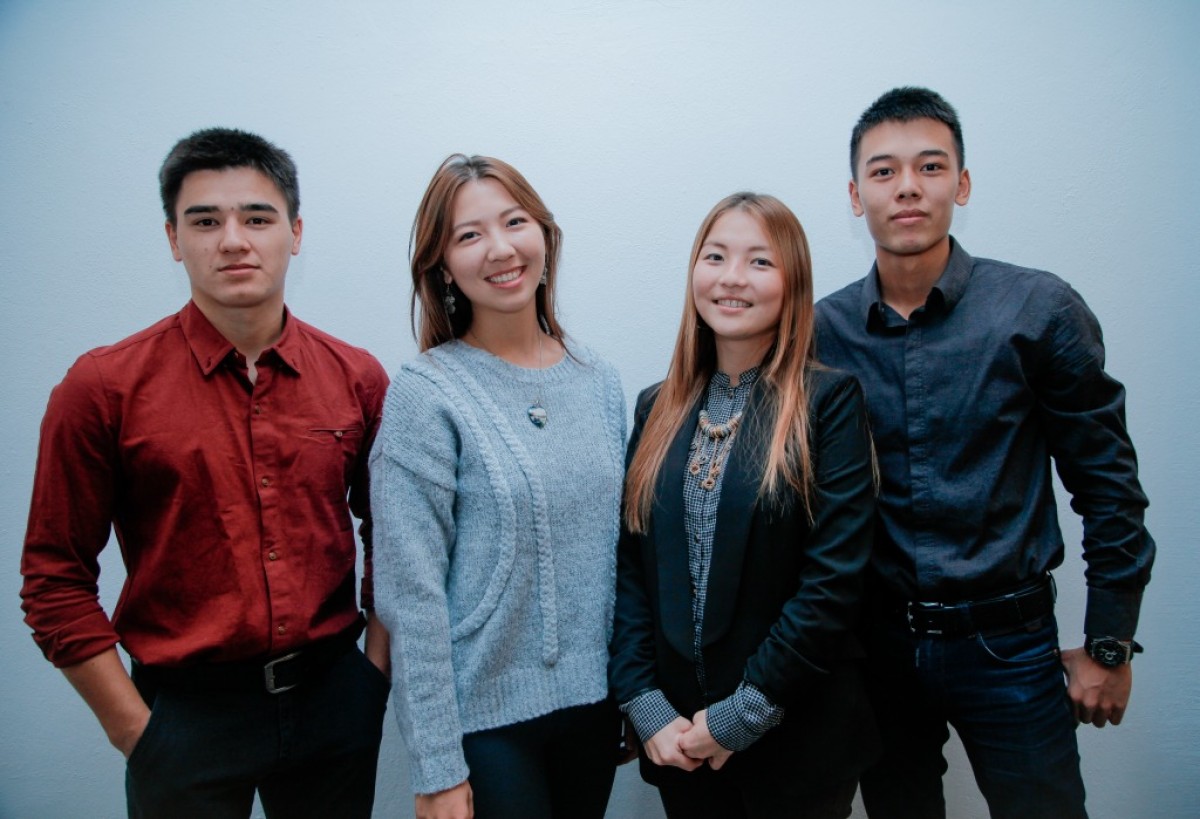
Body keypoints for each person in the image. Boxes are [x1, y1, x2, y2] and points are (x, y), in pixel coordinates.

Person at [19, 128, 391, 818]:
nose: (233, 241)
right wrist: (137, 733)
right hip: (184, 717)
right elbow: (53, 577)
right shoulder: (103, 387)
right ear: (173, 239)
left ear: (295, 232)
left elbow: (395, 535)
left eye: (257, 218)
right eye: (205, 221)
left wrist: (374, 673)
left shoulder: (356, 377)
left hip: (333, 701)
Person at [814, 86, 1156, 819]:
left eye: (930, 166)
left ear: (961, 185)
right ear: (855, 195)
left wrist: (1109, 642)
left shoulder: (1037, 309)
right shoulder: (821, 332)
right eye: (883, 171)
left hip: (1012, 646)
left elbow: (1108, 484)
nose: (907, 187)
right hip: (878, 648)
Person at [370, 154, 626, 819]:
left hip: (595, 711)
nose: (501, 249)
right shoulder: (426, 393)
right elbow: (411, 596)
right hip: (484, 724)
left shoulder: (599, 380)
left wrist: (634, 690)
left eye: (515, 222)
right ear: (442, 266)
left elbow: (619, 554)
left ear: (545, 234)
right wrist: (435, 768)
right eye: (469, 234)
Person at [609, 192, 879, 819]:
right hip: (678, 739)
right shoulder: (656, 407)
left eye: (759, 262)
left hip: (797, 736)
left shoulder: (828, 401)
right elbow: (629, 571)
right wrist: (645, 705)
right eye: (715, 257)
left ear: (793, 283)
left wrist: (741, 716)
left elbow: (834, 583)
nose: (732, 278)